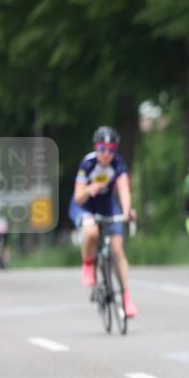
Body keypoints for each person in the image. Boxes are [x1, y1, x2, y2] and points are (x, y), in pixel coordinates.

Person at [68, 126, 137, 317]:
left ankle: (126, 298)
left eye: (111, 149)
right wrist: (89, 189)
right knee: (91, 232)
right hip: (84, 206)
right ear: (96, 148)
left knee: (117, 248)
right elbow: (78, 196)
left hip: (107, 206)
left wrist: (127, 211)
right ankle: (88, 263)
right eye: (102, 149)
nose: (106, 154)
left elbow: (123, 190)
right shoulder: (87, 164)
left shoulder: (118, 164)